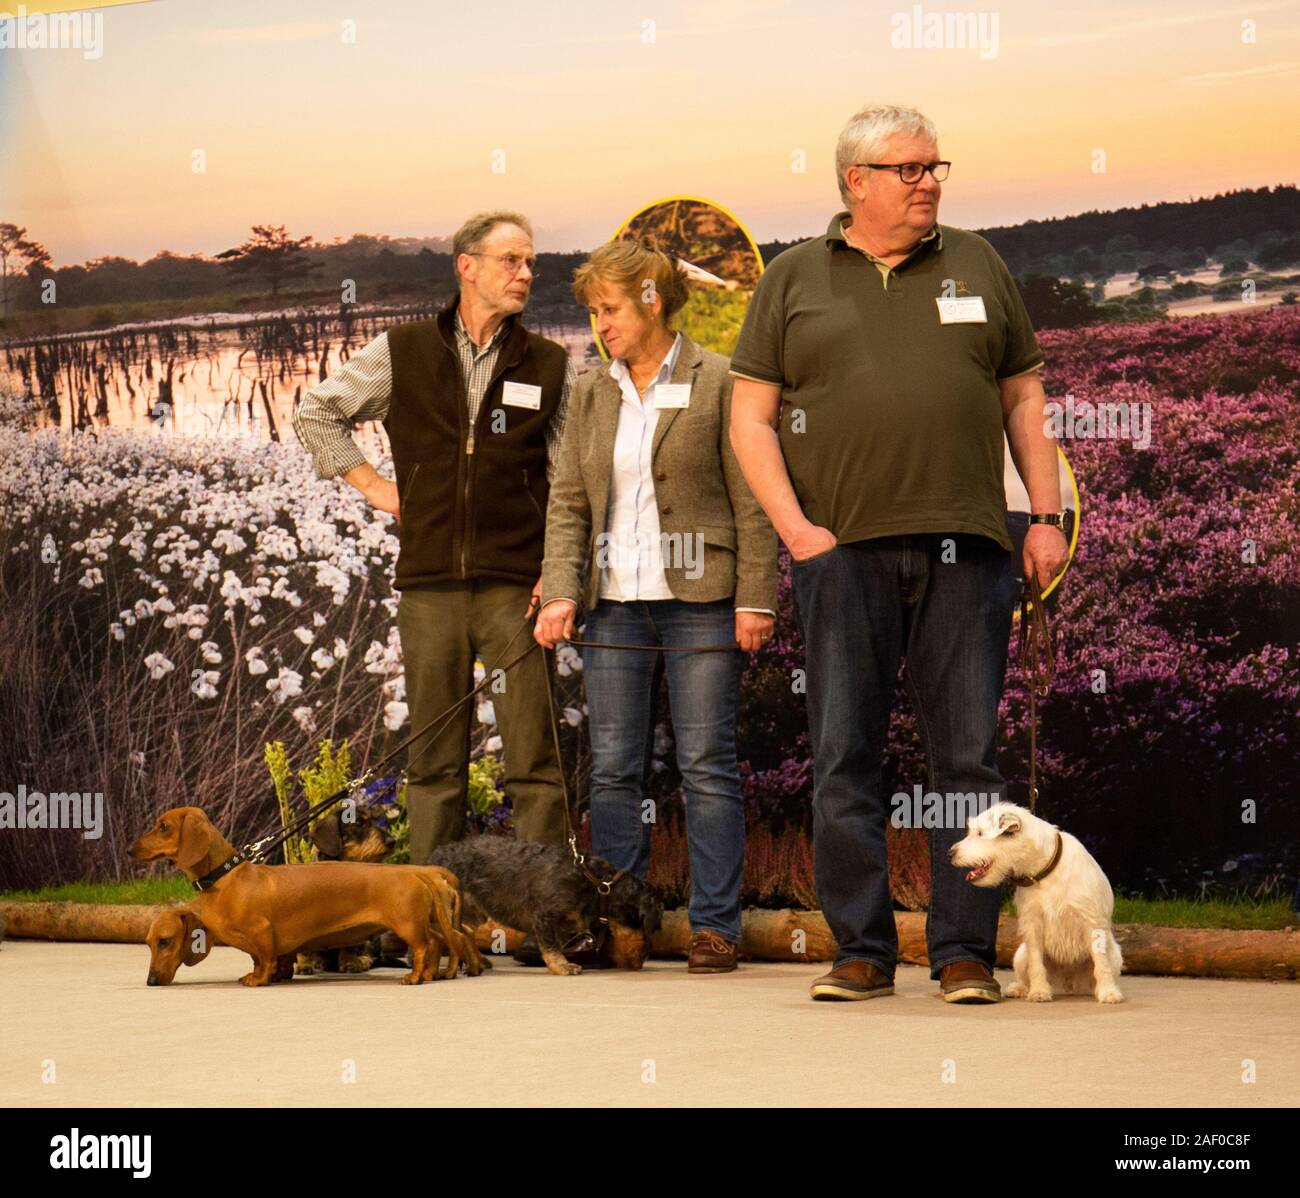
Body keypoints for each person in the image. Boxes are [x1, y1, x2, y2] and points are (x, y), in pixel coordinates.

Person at [728, 104, 1070, 1004]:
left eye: (935, 167)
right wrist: (798, 533)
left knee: (966, 760)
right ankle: (862, 953)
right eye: (910, 170)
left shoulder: (977, 260)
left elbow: (1024, 398)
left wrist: (1045, 515)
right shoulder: (793, 277)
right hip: (842, 557)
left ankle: (963, 953)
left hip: (971, 549)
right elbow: (748, 418)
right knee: (845, 755)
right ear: (856, 180)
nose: (930, 183)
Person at [292, 210, 573, 867]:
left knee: (533, 758)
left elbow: (570, 488)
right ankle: (433, 917)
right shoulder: (403, 352)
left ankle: (551, 910)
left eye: (531, 262)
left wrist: (556, 574)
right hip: (429, 593)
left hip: (515, 592)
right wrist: (376, 487)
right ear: (467, 267)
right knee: (435, 760)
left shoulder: (551, 363)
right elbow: (316, 412)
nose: (526, 274)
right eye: (512, 261)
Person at [535, 237, 778, 973]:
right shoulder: (590, 389)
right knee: (612, 770)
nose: (599, 324)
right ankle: (620, 925)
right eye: (592, 311)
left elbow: (754, 501)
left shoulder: (720, 380)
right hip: (613, 606)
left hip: (701, 601)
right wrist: (563, 587)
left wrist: (757, 599)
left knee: (706, 766)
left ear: (651, 299)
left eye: (608, 308)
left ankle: (714, 929)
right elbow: (570, 499)